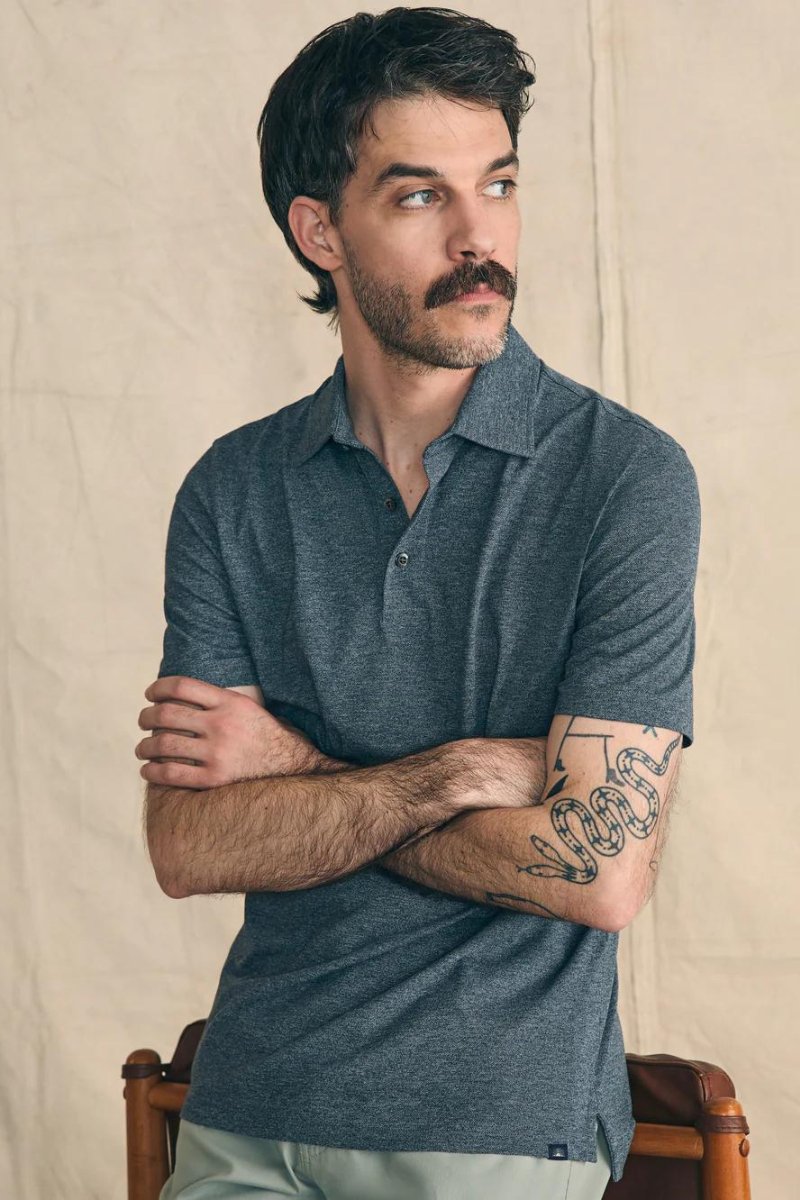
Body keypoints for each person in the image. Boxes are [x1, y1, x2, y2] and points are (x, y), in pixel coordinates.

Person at [136, 7, 701, 1198]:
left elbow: (597, 873)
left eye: (496, 184)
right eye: (416, 196)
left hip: (494, 1122)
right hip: (248, 1110)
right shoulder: (234, 489)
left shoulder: (621, 478)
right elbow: (189, 845)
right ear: (319, 232)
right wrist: (453, 774)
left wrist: (294, 771)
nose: (476, 235)